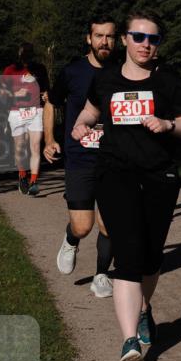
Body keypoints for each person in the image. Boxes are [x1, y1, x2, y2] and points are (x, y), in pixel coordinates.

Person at [71, 10, 181, 361]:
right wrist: (81, 125)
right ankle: (129, 341)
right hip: (115, 173)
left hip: (159, 175)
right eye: (138, 37)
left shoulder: (169, 80)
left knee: (152, 254)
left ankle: (143, 308)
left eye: (153, 39)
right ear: (125, 38)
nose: (145, 44)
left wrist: (168, 123)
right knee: (128, 253)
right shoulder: (106, 79)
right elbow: (90, 111)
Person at [43, 16, 117, 298]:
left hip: (113, 159)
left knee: (109, 223)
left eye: (109, 36)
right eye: (99, 36)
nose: (104, 42)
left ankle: (101, 275)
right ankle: (71, 238)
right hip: (79, 157)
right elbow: (51, 102)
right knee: (84, 225)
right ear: (89, 39)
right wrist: (49, 140)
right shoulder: (73, 71)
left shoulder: (123, 71)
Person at [1, 42, 50, 196]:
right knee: (20, 147)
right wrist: (16, 94)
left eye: (29, 53)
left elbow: (46, 89)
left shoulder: (40, 69)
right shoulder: (10, 70)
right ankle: (22, 175)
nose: (26, 56)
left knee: (35, 146)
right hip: (16, 112)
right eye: (23, 53)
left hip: (36, 110)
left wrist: (47, 95)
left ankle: (34, 182)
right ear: (18, 54)